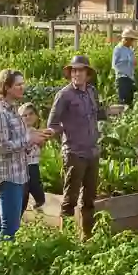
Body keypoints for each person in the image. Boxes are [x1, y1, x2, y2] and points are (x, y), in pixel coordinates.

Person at [0, 69, 50, 241]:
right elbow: (2, 147)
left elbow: (20, 142)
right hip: (7, 176)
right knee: (10, 228)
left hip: (18, 174)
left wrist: (36, 139)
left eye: (23, 83)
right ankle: (3, 265)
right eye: (18, 85)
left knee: (7, 224)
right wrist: (29, 139)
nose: (23, 87)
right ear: (6, 87)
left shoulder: (13, 111)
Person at [47, 55, 106, 234]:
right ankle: (66, 238)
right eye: (74, 70)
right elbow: (52, 123)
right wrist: (66, 136)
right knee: (70, 199)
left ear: (87, 74)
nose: (77, 73)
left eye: (80, 70)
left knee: (89, 199)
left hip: (92, 152)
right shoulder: (64, 95)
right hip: (74, 152)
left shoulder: (92, 92)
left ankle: (86, 237)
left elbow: (99, 115)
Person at [19, 102, 47, 214]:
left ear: (36, 115)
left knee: (36, 186)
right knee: (25, 190)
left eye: (31, 114)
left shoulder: (35, 131)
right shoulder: (20, 133)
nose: (28, 117)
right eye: (24, 115)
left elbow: (40, 147)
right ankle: (22, 210)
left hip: (34, 163)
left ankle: (39, 202)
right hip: (23, 165)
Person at [112, 28, 138, 107]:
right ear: (126, 39)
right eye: (131, 40)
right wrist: (125, 62)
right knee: (123, 101)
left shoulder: (130, 50)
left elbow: (134, 63)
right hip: (122, 77)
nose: (131, 42)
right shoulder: (118, 49)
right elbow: (114, 65)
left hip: (130, 78)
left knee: (130, 101)